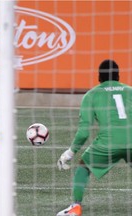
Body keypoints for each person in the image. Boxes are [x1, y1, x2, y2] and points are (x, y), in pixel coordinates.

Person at [56, 59, 132, 216]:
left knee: (83, 167)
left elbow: (84, 132)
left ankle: (76, 206)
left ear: (99, 77)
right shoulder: (130, 91)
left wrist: (69, 153)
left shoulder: (91, 95)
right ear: (118, 76)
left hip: (108, 143)